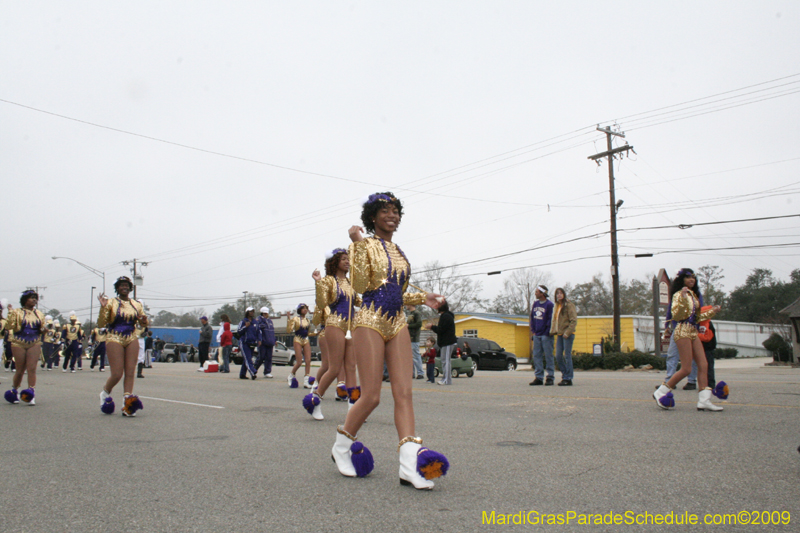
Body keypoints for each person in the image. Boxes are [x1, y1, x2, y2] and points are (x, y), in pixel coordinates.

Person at [331, 192, 449, 491]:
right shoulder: (364, 244)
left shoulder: (399, 251)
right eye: (385, 210)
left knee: (405, 394)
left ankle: (409, 466)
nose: (392, 215)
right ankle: (342, 445)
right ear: (372, 216)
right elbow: (360, 287)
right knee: (371, 396)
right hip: (369, 320)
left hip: (396, 322)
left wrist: (425, 297)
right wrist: (357, 245)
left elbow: (397, 291)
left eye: (396, 211)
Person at [653, 268, 722, 411]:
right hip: (682, 331)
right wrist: (683, 299)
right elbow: (677, 315)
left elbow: (697, 318)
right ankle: (661, 391)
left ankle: (704, 400)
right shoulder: (679, 295)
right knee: (686, 368)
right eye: (688, 277)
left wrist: (712, 311)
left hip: (693, 331)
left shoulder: (694, 296)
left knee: (703, 365)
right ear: (682, 280)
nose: (692, 280)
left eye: (694, 278)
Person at [306, 249, 361, 420]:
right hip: (335, 324)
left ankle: (354, 408)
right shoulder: (329, 281)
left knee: (351, 368)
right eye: (343, 259)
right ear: (334, 262)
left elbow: (359, 301)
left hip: (351, 326)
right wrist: (318, 283)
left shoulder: (351, 282)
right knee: (335, 368)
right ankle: (314, 400)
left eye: (348, 259)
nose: (347, 262)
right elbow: (322, 303)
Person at [96, 276, 148, 417]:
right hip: (114, 337)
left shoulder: (136, 304)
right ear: (117, 288)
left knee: (130, 371)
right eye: (121, 285)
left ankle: (127, 402)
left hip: (131, 337)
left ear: (130, 288)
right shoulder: (111, 303)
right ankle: (105, 392)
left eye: (127, 285)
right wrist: (102, 307)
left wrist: (144, 321)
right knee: (117, 373)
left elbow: (143, 324)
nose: (124, 287)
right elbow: (101, 323)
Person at [4, 290, 47, 406]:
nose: (34, 300)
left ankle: (31, 392)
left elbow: (42, 329)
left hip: (34, 342)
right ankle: (14, 390)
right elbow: (9, 326)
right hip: (19, 342)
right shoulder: (16, 312)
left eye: (35, 298)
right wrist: (9, 314)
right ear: (25, 300)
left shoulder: (39, 314)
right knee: (20, 370)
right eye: (31, 298)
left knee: (32, 368)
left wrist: (45, 330)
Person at [550, 287, 578, 386]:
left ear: (564, 294)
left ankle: (568, 378)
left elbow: (573, 320)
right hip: (560, 334)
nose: (559, 295)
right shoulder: (557, 306)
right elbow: (555, 320)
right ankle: (565, 375)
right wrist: (553, 331)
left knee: (567, 355)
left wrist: (568, 332)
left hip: (567, 335)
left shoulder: (569, 305)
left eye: (561, 293)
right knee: (558, 356)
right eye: (557, 293)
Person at [529, 285, 555, 386]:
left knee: (548, 356)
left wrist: (547, 331)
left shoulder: (549, 305)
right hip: (537, 334)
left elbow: (550, 319)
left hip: (546, 335)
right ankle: (538, 377)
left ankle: (550, 377)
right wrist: (533, 331)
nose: (535, 294)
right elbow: (532, 317)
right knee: (537, 356)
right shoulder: (535, 304)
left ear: (542, 293)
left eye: (537, 292)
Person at [287, 304, 317, 388]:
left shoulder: (308, 320)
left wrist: (315, 333)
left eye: (306, 308)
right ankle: (291, 375)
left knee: (308, 360)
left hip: (305, 339)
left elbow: (307, 333)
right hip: (297, 339)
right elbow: (289, 330)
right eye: (303, 308)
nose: (305, 310)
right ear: (299, 310)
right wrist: (288, 319)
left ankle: (306, 380)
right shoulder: (295, 319)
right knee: (299, 362)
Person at [427, 301, 456, 385]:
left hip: (448, 342)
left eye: (438, 305)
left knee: (446, 361)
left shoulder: (446, 316)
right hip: (445, 343)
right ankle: (446, 379)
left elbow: (441, 330)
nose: (436, 307)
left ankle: (447, 379)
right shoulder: (445, 316)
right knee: (445, 360)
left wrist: (432, 327)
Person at [237, 307, 259, 380]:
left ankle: (242, 374)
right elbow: (239, 331)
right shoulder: (243, 321)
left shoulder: (255, 322)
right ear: (247, 312)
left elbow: (258, 332)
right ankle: (253, 372)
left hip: (252, 343)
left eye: (253, 311)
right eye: (250, 311)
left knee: (247, 359)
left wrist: (259, 340)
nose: (252, 313)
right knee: (248, 359)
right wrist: (245, 327)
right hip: (244, 342)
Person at [254, 307, 275, 378]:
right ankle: (254, 370)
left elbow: (272, 332)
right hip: (262, 342)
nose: (266, 314)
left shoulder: (270, 321)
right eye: (265, 313)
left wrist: (274, 340)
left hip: (270, 342)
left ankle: (267, 372)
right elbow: (257, 330)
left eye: (267, 313)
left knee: (269, 358)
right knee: (261, 357)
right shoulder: (258, 320)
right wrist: (259, 340)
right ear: (262, 313)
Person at [406, 304, 425, 379]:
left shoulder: (417, 313)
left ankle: (420, 372)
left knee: (416, 356)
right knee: (410, 357)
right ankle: (411, 373)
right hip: (409, 338)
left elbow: (419, 324)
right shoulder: (410, 314)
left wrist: (408, 326)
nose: (406, 305)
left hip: (414, 337)